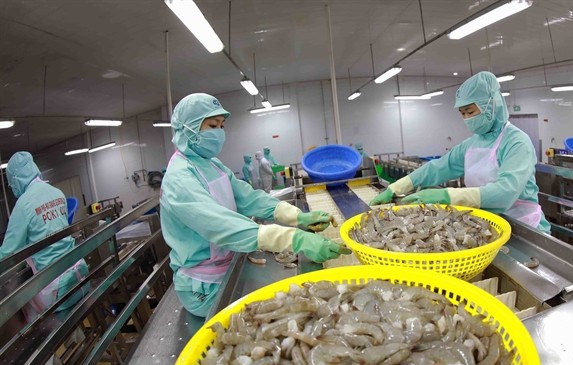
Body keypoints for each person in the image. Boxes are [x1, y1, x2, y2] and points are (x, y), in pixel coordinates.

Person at [160, 93, 350, 317]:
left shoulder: (212, 164)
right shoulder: (179, 178)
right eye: (212, 125)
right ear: (188, 128)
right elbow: (220, 225)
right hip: (203, 284)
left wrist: (296, 216)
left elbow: (248, 197)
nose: (219, 132)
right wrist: (294, 238)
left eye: (221, 125)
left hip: (226, 265)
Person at [371, 71, 551, 233]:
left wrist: (446, 196)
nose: (467, 118)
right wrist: (396, 188)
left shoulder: (517, 142)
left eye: (470, 111)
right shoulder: (471, 145)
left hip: (525, 230)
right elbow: (437, 168)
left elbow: (504, 194)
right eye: (462, 113)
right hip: (488, 226)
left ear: (491, 105)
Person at [0, 152, 89, 322]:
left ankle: (40, 343)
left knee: (16, 304)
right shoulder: (57, 193)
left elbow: (7, 254)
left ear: (17, 179)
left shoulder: (23, 205)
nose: (12, 188)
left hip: (59, 291)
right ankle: (76, 339)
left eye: (12, 184)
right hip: (81, 276)